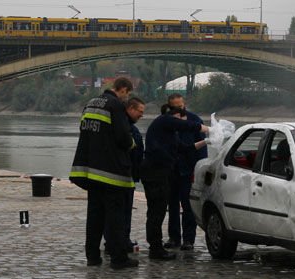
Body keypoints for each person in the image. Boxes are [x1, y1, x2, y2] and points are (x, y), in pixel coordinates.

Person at [69, 77, 138, 269]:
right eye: (128, 94)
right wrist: (133, 144)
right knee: (115, 217)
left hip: (92, 171)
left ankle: (92, 256)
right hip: (111, 172)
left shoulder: (91, 103)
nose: (128, 98)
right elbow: (123, 137)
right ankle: (119, 259)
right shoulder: (115, 106)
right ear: (123, 89)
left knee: (95, 216)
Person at [141, 104, 208, 260]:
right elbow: (186, 125)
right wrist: (207, 129)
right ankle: (156, 249)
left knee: (158, 210)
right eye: (180, 121)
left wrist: (206, 142)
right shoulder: (163, 121)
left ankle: (156, 247)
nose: (179, 125)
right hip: (154, 172)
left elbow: (185, 148)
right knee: (156, 212)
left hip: (162, 173)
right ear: (175, 117)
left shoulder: (171, 134)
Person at [165, 94, 207, 251]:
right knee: (172, 205)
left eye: (180, 106)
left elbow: (202, 147)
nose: (178, 108)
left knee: (188, 205)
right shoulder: (166, 121)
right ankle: (173, 237)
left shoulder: (195, 120)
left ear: (184, 105)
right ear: (169, 107)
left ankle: (189, 239)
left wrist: (199, 168)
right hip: (171, 169)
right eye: (175, 106)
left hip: (188, 169)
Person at [124, 97, 146, 251]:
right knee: (123, 210)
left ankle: (122, 239)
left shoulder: (128, 125)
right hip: (124, 176)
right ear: (131, 108)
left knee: (125, 211)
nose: (142, 115)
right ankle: (121, 241)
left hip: (129, 175)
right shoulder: (126, 127)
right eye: (140, 111)